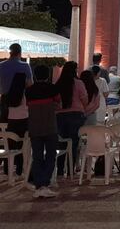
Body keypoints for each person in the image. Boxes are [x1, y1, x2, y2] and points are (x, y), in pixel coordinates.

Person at [26, 65, 60, 198]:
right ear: (48, 75)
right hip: (50, 126)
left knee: (37, 156)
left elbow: (28, 105)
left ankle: (39, 184)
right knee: (51, 156)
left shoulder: (29, 91)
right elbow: (58, 105)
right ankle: (44, 184)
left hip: (34, 127)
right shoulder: (53, 88)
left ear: (35, 75)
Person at [55, 61, 88, 174]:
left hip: (60, 115)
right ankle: (70, 169)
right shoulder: (78, 83)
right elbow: (84, 99)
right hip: (76, 115)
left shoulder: (58, 84)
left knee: (61, 142)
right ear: (75, 70)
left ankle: (59, 168)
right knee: (74, 142)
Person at [3, 72, 29, 179]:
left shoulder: (8, 94)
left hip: (11, 122)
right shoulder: (25, 94)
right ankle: (19, 171)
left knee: (10, 146)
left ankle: (7, 169)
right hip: (23, 121)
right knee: (22, 147)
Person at [0, 43, 33, 122]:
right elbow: (30, 84)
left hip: (4, 100)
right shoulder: (25, 66)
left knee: (4, 127)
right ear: (20, 53)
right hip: (20, 101)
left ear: (10, 53)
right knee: (18, 127)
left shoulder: (1, 66)